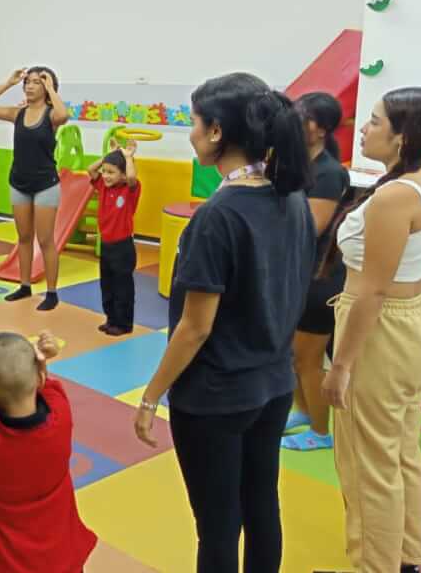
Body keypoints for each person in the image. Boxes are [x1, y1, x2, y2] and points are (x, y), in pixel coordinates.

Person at [133, 73, 314, 573]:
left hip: (217, 397)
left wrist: (151, 396)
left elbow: (195, 327)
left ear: (215, 132)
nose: (190, 133)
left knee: (217, 525)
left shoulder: (217, 216)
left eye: (193, 122)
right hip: (274, 385)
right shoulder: (292, 198)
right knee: (261, 506)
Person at [324, 88, 421, 573]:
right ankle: (406, 557)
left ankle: (375, 566)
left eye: (373, 121)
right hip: (417, 317)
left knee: (366, 466)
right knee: (399, 450)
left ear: (402, 137)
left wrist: (341, 366)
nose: (362, 128)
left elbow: (373, 291)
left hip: (385, 331)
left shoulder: (396, 197)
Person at [0, 331, 97, 572]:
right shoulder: (61, 415)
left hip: (5, 561)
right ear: (39, 378)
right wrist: (42, 360)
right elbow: (45, 383)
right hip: (62, 555)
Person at [282, 92, 349, 452]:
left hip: (319, 279)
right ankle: (304, 410)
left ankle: (321, 433)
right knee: (294, 354)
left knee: (309, 358)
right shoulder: (298, 166)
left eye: (302, 117)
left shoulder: (330, 172)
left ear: (321, 129)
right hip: (297, 274)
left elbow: (310, 225)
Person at [0, 67, 69, 311]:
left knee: (46, 240)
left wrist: (50, 88)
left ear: (47, 88)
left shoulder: (50, 115)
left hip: (46, 183)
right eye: (27, 82)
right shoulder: (18, 113)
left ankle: (51, 292)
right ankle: (24, 286)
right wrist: (8, 83)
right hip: (19, 182)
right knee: (24, 238)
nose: (29, 86)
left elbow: (64, 114)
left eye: (36, 83)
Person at [86, 140, 140, 336]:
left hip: (123, 247)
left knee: (122, 288)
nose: (105, 176)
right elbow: (90, 169)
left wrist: (127, 157)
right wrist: (109, 156)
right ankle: (111, 319)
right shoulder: (103, 186)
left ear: (123, 175)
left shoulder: (129, 189)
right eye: (105, 171)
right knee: (107, 286)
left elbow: (133, 177)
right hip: (107, 246)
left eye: (111, 172)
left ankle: (124, 324)